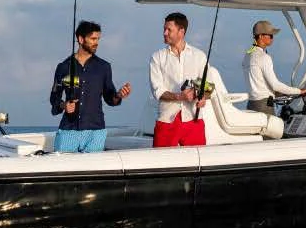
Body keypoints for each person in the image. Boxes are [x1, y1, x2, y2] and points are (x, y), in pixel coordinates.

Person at [48, 20, 130, 153]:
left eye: (98, 39)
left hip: (96, 132)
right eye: (92, 38)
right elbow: (54, 98)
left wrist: (119, 95)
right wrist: (64, 106)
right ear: (81, 39)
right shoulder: (63, 67)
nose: (96, 42)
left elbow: (111, 99)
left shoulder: (104, 67)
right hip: (69, 131)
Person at [149, 11, 210, 148]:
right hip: (167, 120)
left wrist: (203, 97)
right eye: (164, 29)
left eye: (169, 30)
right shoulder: (157, 57)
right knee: (160, 164)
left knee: (199, 163)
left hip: (194, 119)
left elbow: (208, 86)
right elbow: (158, 91)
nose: (164, 33)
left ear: (181, 32)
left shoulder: (199, 56)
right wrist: (179, 96)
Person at [243, 19, 306, 115]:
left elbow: (259, 82)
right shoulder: (264, 57)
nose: (272, 38)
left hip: (251, 104)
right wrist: (298, 91)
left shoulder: (248, 55)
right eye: (270, 35)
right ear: (260, 36)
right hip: (264, 106)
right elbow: (275, 85)